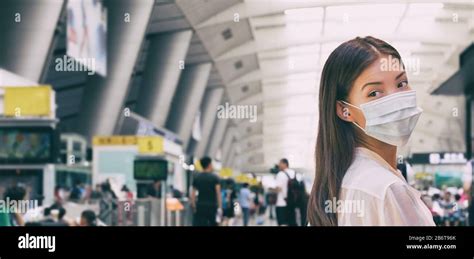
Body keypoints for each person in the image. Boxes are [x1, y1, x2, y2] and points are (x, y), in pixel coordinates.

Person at [307, 36, 435, 226]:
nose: (397, 100)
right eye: (374, 93)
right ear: (345, 110)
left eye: (401, 84)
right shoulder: (386, 189)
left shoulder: (339, 184)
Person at [190, 157, 222, 226]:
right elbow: (218, 194)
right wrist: (220, 207)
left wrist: (194, 206)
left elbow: (192, 194)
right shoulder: (215, 178)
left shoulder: (197, 177)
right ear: (209, 165)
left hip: (200, 206)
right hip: (212, 206)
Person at [275, 158, 298, 226]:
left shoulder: (280, 174)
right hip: (292, 203)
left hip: (282, 203)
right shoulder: (294, 173)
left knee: (283, 223)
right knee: (292, 223)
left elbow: (278, 189)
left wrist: (270, 188)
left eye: (280, 163)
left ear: (285, 164)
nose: (279, 165)